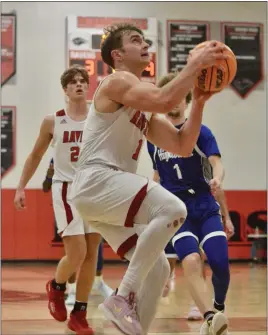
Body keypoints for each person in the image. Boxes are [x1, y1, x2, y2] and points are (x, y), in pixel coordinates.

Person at [70, 23, 229, 335]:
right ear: (117, 54)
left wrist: (198, 101)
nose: (144, 44)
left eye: (144, 39)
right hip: (97, 179)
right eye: (135, 40)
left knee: (157, 268)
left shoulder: (141, 106)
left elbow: (183, 144)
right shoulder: (116, 82)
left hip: (101, 195)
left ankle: (132, 328)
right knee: (173, 209)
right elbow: (164, 99)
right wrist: (194, 65)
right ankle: (123, 295)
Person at [14, 65, 100, 335]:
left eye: (82, 81)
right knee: (77, 253)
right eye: (73, 82)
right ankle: (57, 285)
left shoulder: (99, 118)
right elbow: (36, 155)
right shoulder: (54, 120)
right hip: (67, 189)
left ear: (88, 86)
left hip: (95, 188)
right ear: (65, 90)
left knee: (91, 257)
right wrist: (20, 187)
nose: (78, 85)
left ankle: (80, 314)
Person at [147, 72, 235, 332]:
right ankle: (210, 318)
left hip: (205, 207)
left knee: (219, 264)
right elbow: (157, 175)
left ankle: (218, 306)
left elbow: (217, 165)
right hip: (176, 211)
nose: (173, 103)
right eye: (168, 98)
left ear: (186, 101)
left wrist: (218, 180)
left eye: (179, 98)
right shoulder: (154, 138)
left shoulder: (201, 132)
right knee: (191, 261)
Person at [42, 158, 113, 305]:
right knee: (74, 252)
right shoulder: (59, 156)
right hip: (67, 201)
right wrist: (49, 174)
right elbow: (45, 187)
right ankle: (72, 290)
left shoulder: (93, 150)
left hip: (88, 198)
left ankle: (98, 282)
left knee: (95, 247)